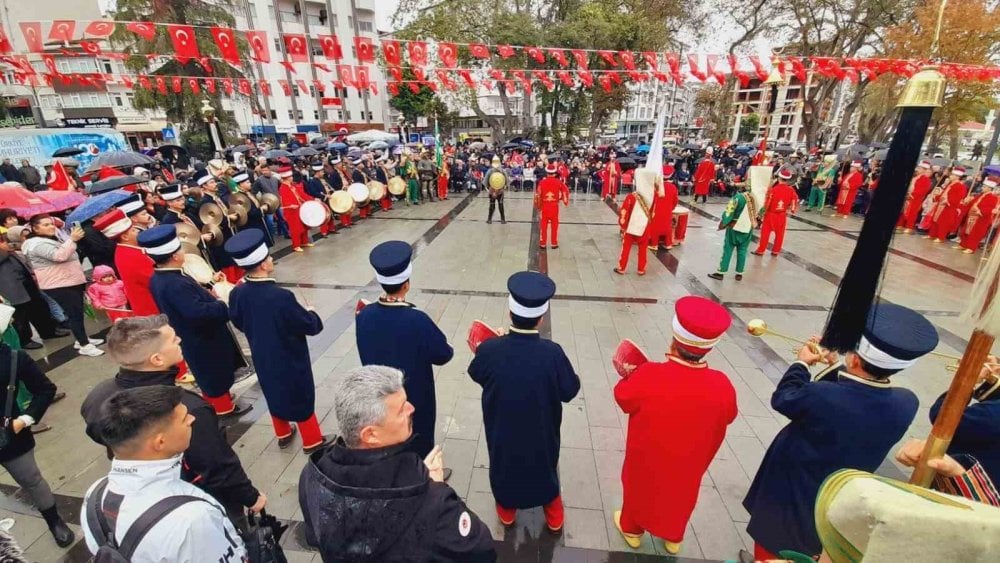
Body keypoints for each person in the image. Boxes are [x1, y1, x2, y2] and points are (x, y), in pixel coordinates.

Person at [743, 303, 935, 559]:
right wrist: (836, 366)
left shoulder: (823, 396)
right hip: (841, 493)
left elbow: (785, 398)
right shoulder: (906, 402)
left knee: (774, 544)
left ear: (854, 358)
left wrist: (801, 362)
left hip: (793, 490)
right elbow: (849, 397)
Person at [298, 365, 496, 561]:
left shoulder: (312, 475)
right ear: (371, 434)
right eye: (401, 409)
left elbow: (314, 536)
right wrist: (437, 487)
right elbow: (482, 549)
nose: (412, 408)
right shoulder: (431, 501)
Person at [80, 315, 265, 521]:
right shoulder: (184, 408)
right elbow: (217, 464)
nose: (179, 340)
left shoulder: (97, 396)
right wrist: (251, 497)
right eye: (172, 339)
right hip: (199, 501)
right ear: (157, 359)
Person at [613, 296, 736, 555]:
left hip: (647, 458)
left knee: (640, 487)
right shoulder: (722, 385)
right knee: (681, 493)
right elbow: (730, 415)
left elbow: (623, 397)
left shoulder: (650, 374)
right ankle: (673, 537)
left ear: (674, 338)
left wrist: (631, 375)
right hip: (691, 462)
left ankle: (632, 530)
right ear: (709, 347)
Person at [81, 386, 247, 561]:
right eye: (184, 418)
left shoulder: (94, 495)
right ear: (160, 442)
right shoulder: (192, 518)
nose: (192, 419)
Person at [467, 271, 579, 531]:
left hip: (503, 432)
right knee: (544, 465)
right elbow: (570, 391)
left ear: (510, 313)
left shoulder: (491, 350)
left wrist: (488, 347)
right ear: (540, 318)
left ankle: (507, 509)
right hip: (542, 432)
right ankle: (553, 512)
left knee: (505, 465)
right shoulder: (553, 354)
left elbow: (477, 373)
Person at [225, 229, 328, 453]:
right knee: (299, 392)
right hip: (288, 354)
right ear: (263, 265)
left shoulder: (238, 293)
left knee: (272, 389)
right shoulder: (281, 297)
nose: (271, 259)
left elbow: (238, 321)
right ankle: (312, 440)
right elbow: (310, 326)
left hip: (261, 353)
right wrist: (311, 312)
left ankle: (282, 432)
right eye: (269, 257)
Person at [356, 241, 453, 462]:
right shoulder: (416, 319)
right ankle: (424, 477)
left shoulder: (364, 315)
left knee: (388, 437)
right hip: (414, 394)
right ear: (406, 284)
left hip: (378, 394)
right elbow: (444, 354)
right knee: (419, 435)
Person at [138, 225, 249, 417]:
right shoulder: (174, 282)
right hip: (201, 337)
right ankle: (224, 409)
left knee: (214, 371)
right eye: (180, 249)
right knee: (213, 372)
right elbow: (197, 312)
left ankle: (223, 400)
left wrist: (210, 285)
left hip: (194, 335)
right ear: (174, 256)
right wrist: (223, 304)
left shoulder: (164, 276)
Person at [0, 333, 74, 547]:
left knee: (31, 479)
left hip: (10, 436)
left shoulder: (14, 357)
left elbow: (45, 389)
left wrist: (23, 419)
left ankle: (54, 521)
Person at [21, 215, 104, 356]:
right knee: (73, 314)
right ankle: (84, 345)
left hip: (70, 281)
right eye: (45, 225)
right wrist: (72, 239)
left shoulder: (48, 239)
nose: (51, 227)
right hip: (59, 284)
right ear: (35, 228)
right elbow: (59, 256)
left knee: (77, 312)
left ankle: (81, 339)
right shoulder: (36, 244)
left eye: (51, 224)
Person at [0, 234, 66, 349]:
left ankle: (48, 331)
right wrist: (3, 251)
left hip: (25, 280)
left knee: (39, 306)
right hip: (10, 287)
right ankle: (25, 340)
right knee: (21, 315)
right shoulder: (4, 250)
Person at [708, 183, 758, 282]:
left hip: (734, 227)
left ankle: (721, 272)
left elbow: (729, 211)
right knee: (742, 251)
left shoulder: (738, 197)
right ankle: (739, 273)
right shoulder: (757, 199)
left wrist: (724, 222)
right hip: (748, 228)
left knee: (728, 249)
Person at [615, 168, 659, 275]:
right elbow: (653, 213)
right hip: (644, 227)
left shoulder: (631, 197)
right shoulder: (654, 197)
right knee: (643, 249)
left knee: (626, 248)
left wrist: (623, 225)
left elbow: (624, 212)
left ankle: (622, 267)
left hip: (631, 227)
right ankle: (641, 269)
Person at [753, 166, 799, 256]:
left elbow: (767, 203)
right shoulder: (791, 190)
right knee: (780, 234)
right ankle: (775, 251)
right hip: (782, 215)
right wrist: (791, 209)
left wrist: (761, 214)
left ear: (779, 178)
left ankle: (761, 250)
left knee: (765, 233)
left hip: (771, 214)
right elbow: (795, 200)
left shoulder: (773, 190)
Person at [958, 176, 1000, 253]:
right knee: (967, 231)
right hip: (972, 216)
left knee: (975, 234)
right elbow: (972, 203)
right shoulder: (981, 195)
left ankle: (971, 248)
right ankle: (963, 245)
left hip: (981, 218)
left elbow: (990, 208)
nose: (982, 188)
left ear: (989, 188)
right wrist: (967, 201)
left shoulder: (993, 197)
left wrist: (980, 211)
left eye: (984, 187)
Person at [927, 166, 969, 243]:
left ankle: (940, 237)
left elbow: (959, 198)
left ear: (957, 176)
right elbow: (943, 194)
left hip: (949, 207)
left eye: (952, 175)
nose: (950, 176)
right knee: (936, 220)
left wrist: (948, 201)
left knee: (943, 223)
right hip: (941, 205)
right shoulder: (950, 184)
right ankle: (932, 235)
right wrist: (936, 197)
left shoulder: (961, 186)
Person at [232, 171, 274, 246]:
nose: (250, 183)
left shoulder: (248, 193)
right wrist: (262, 209)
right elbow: (250, 212)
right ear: (241, 184)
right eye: (247, 182)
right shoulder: (239, 197)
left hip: (258, 222)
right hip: (251, 226)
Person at [277, 165, 313, 252]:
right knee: (295, 228)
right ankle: (296, 245)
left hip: (299, 208)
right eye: (291, 176)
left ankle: (304, 242)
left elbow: (301, 195)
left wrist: (311, 199)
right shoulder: (283, 188)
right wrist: (290, 205)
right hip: (291, 211)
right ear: (287, 177)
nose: (292, 177)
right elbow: (285, 201)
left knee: (304, 225)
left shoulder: (292, 185)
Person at [535, 162, 569, 249]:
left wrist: (538, 206)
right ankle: (554, 243)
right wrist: (564, 200)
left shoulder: (542, 182)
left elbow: (538, 194)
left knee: (544, 225)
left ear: (547, 173)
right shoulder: (559, 182)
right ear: (554, 173)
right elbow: (565, 191)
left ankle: (543, 243)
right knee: (554, 225)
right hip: (554, 206)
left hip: (544, 206)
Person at [647, 163, 678, 252]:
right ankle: (668, 243)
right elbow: (675, 201)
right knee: (667, 226)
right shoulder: (673, 187)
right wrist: (671, 208)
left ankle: (654, 244)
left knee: (655, 226)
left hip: (656, 210)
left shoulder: (656, 187)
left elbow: (651, 199)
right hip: (668, 210)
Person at [897, 160, 934, 233]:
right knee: (904, 210)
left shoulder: (926, 179)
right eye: (919, 167)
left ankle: (909, 226)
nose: (918, 169)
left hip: (916, 198)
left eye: (920, 168)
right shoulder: (915, 177)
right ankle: (900, 224)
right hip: (909, 196)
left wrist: (912, 194)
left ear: (924, 170)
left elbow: (923, 190)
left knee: (912, 212)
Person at [483, 156, 508, 224]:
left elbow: (485, 182)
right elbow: (507, 182)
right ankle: (502, 220)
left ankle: (489, 219)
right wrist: (504, 188)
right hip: (499, 191)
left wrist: (489, 190)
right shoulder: (503, 171)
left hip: (493, 190)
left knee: (492, 205)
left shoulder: (490, 171)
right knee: (500, 205)